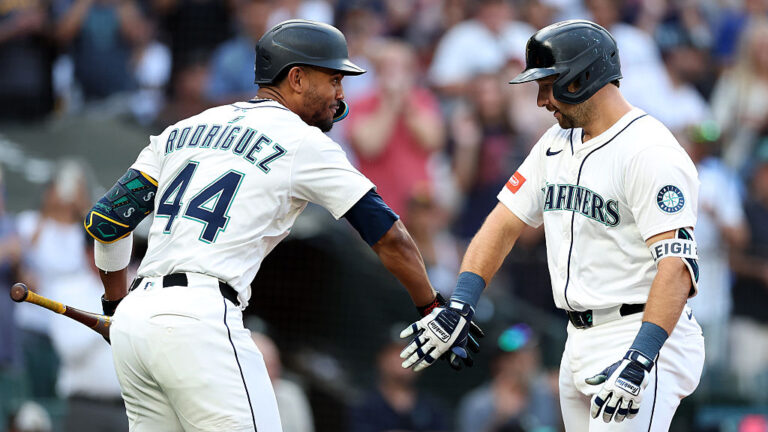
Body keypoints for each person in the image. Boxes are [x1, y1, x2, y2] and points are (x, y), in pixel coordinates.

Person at [84, 19, 480, 432]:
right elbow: (390, 236)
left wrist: (116, 307)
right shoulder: (302, 141)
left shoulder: (183, 129)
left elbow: (108, 220)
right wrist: (432, 305)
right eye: (333, 79)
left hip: (138, 324)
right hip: (199, 320)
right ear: (296, 78)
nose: (341, 94)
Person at [400, 20, 705, 431]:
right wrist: (460, 303)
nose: (542, 99)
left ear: (582, 78)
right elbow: (503, 223)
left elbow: (677, 268)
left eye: (548, 83)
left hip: (639, 336)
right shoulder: (554, 143)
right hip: (577, 337)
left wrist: (640, 357)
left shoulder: (650, 152)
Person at [48, 234, 127, 432]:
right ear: (87, 252)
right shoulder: (67, 290)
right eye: (104, 249)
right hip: (85, 406)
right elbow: (69, 349)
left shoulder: (138, 284)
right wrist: (113, 315)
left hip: (132, 406)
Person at [456, 323, 560, 432]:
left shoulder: (545, 396)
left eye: (533, 354)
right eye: (522, 358)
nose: (531, 361)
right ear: (502, 363)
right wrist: (499, 419)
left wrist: (565, 402)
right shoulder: (478, 404)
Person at [348, 335, 449, 432]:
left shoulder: (433, 408)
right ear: (381, 359)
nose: (404, 357)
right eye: (396, 353)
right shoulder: (364, 405)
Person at [250, 332, 314, 432]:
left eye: (275, 365)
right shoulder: (235, 399)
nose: (274, 372)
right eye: (267, 366)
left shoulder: (291, 394)